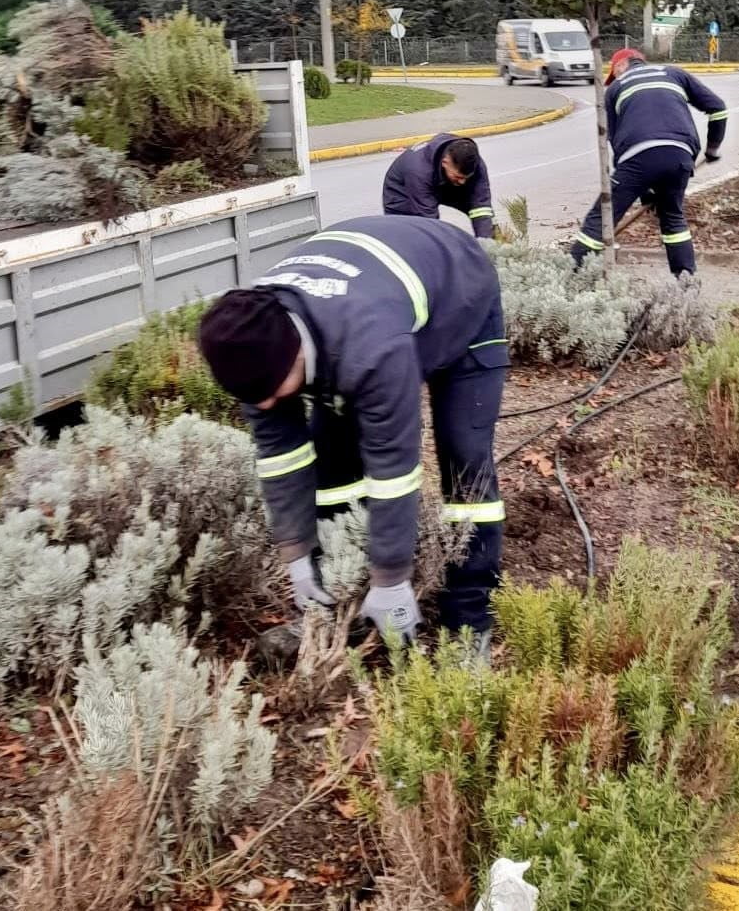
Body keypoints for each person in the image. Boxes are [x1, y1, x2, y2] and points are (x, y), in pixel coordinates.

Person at [197, 215, 508, 651]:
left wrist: (392, 578)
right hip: (372, 296)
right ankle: (342, 602)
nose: (264, 406)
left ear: (295, 355)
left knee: (465, 461)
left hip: (461, 293)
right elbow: (281, 457)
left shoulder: (370, 349)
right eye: (254, 398)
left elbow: (394, 467)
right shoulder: (252, 339)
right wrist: (297, 554)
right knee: (333, 463)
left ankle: (469, 621)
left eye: (270, 393)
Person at [569, 48, 728, 276]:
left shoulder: (615, 88)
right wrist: (712, 148)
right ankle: (685, 280)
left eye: (614, 72)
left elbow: (615, 143)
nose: (615, 77)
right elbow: (718, 109)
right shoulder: (674, 73)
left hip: (638, 157)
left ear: (621, 65)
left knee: (601, 217)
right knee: (673, 218)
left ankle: (572, 273)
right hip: (680, 155)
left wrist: (643, 188)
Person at [383, 134, 495, 238]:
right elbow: (429, 220)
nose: (462, 182)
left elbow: (481, 205)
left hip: (443, 182)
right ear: (445, 162)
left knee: (485, 219)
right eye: (458, 176)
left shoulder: (476, 164)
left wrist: (486, 243)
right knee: (417, 235)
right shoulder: (418, 171)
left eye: (466, 177)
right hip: (403, 192)